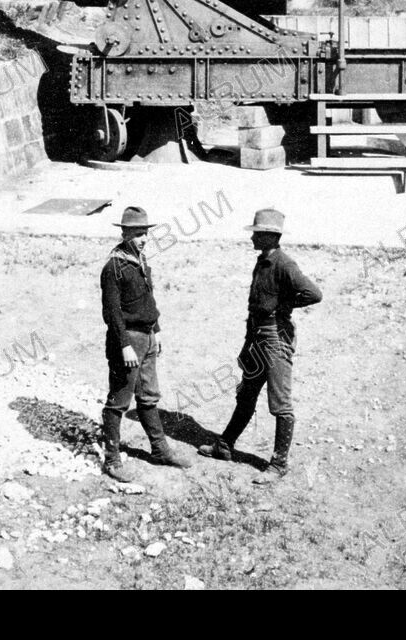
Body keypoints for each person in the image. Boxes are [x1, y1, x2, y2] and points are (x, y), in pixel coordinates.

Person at [198, 208, 322, 483]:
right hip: (256, 336)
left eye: (257, 233)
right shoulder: (262, 262)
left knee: (280, 402)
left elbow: (314, 293)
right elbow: (254, 308)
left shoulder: (284, 265)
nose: (252, 237)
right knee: (247, 393)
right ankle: (224, 446)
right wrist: (246, 347)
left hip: (276, 339)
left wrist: (285, 305)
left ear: (270, 236)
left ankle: (278, 465)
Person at [100, 206, 190, 482]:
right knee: (118, 401)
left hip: (148, 337)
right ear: (125, 233)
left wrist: (157, 330)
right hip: (128, 341)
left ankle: (159, 449)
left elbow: (148, 301)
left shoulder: (140, 260)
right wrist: (125, 345)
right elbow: (112, 312)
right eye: (138, 233)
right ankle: (112, 459)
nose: (144, 238)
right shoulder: (113, 267)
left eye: (146, 233)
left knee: (149, 396)